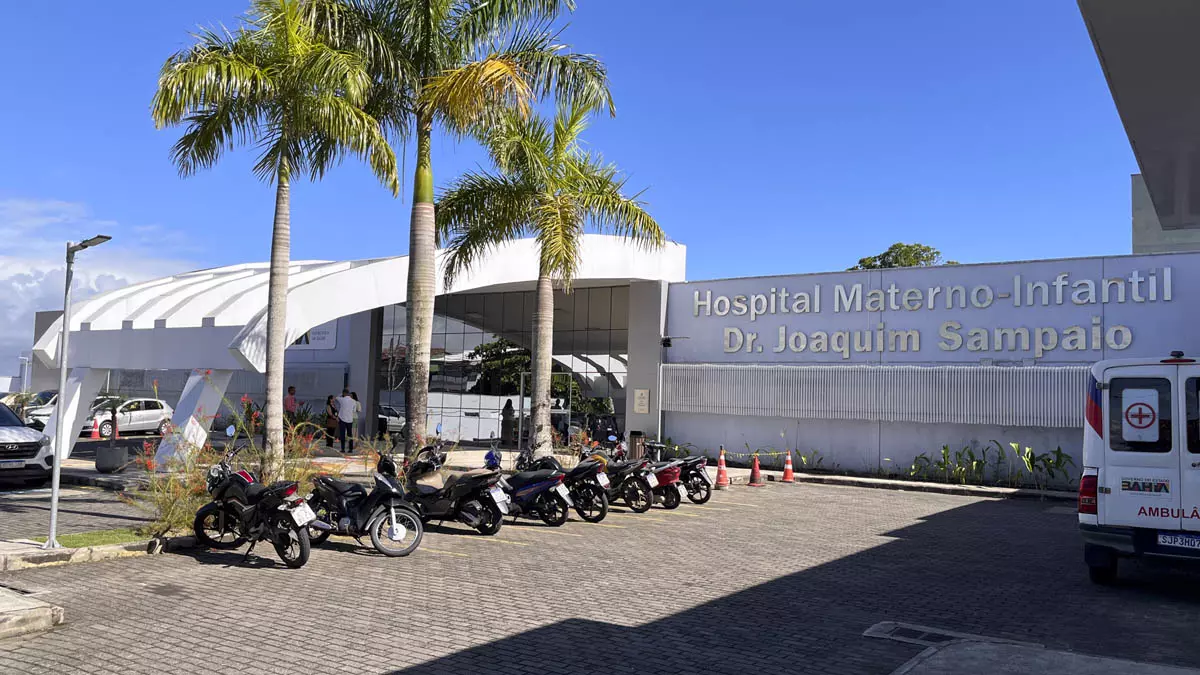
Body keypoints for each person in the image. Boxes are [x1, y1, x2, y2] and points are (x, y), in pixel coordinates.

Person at [335, 388, 358, 454]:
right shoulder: (354, 401)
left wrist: (341, 394)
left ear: (343, 393)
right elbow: (354, 411)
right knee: (350, 434)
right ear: (348, 393)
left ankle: (343, 449)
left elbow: (336, 397)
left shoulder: (342, 399)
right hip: (350, 419)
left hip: (342, 419)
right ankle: (350, 449)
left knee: (342, 434)